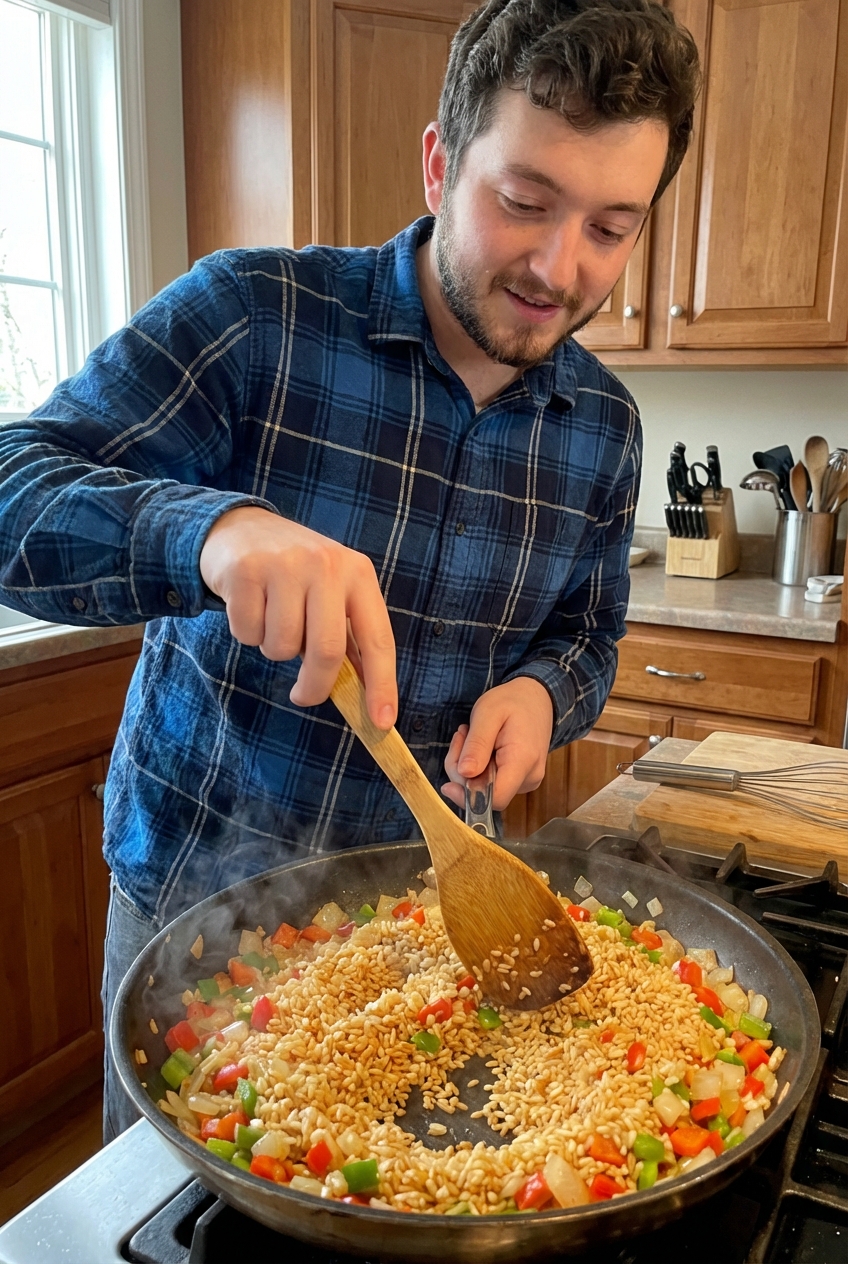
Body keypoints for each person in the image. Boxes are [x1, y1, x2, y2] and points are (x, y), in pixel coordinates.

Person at [0, 0, 699, 1141]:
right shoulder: (255, 316)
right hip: (199, 914)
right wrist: (210, 532)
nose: (556, 265)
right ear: (437, 163)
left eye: (610, 228)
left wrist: (542, 696)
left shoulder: (604, 430)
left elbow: (586, 637)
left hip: (435, 930)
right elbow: (9, 483)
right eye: (521, 202)